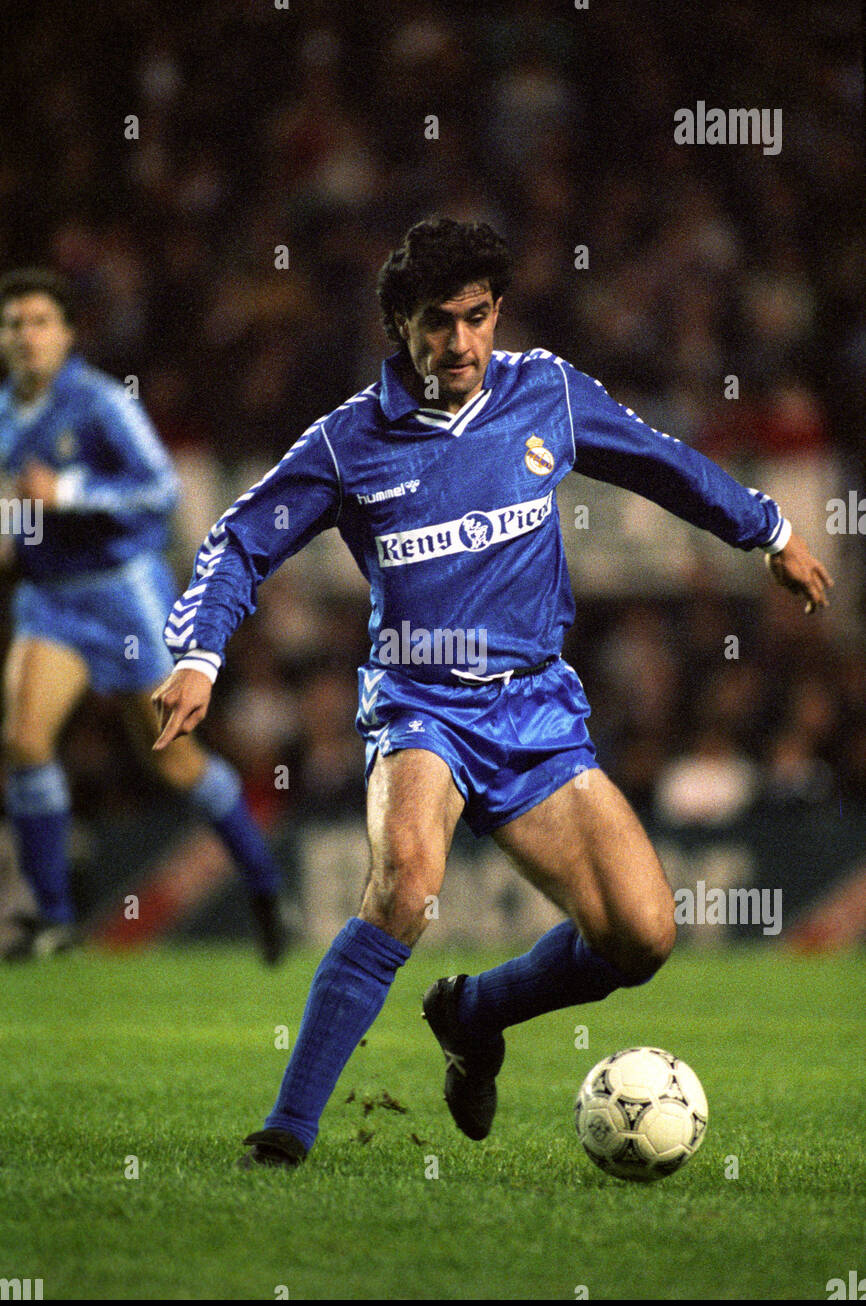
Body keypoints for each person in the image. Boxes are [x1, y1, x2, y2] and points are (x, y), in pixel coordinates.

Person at [152, 219, 833, 1167]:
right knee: (406, 887)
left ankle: (474, 1015)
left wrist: (768, 532)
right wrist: (200, 656)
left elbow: (660, 463)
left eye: (477, 318)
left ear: (497, 314)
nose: (461, 342)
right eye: (439, 323)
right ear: (402, 325)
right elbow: (238, 542)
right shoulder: (349, 443)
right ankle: (288, 1134)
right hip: (421, 703)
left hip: (536, 707)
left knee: (641, 937)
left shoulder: (546, 392)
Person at [0, 267, 292, 964]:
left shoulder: (100, 403)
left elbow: (161, 488)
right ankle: (53, 920)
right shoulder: (5, 411)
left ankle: (262, 882)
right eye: (14, 324)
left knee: (175, 762)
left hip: (123, 593)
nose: (26, 335)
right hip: (49, 599)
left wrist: (66, 489)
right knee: (22, 739)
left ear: (68, 335)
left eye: (41, 321)